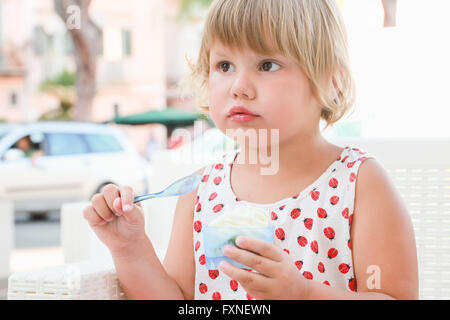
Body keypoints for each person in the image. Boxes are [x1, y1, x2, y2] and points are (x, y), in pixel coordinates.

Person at [83, 0, 418, 300]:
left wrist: (302, 294)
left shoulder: (359, 184)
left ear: (332, 81)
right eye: (224, 66)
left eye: (267, 65)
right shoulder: (200, 191)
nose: (238, 87)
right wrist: (129, 248)